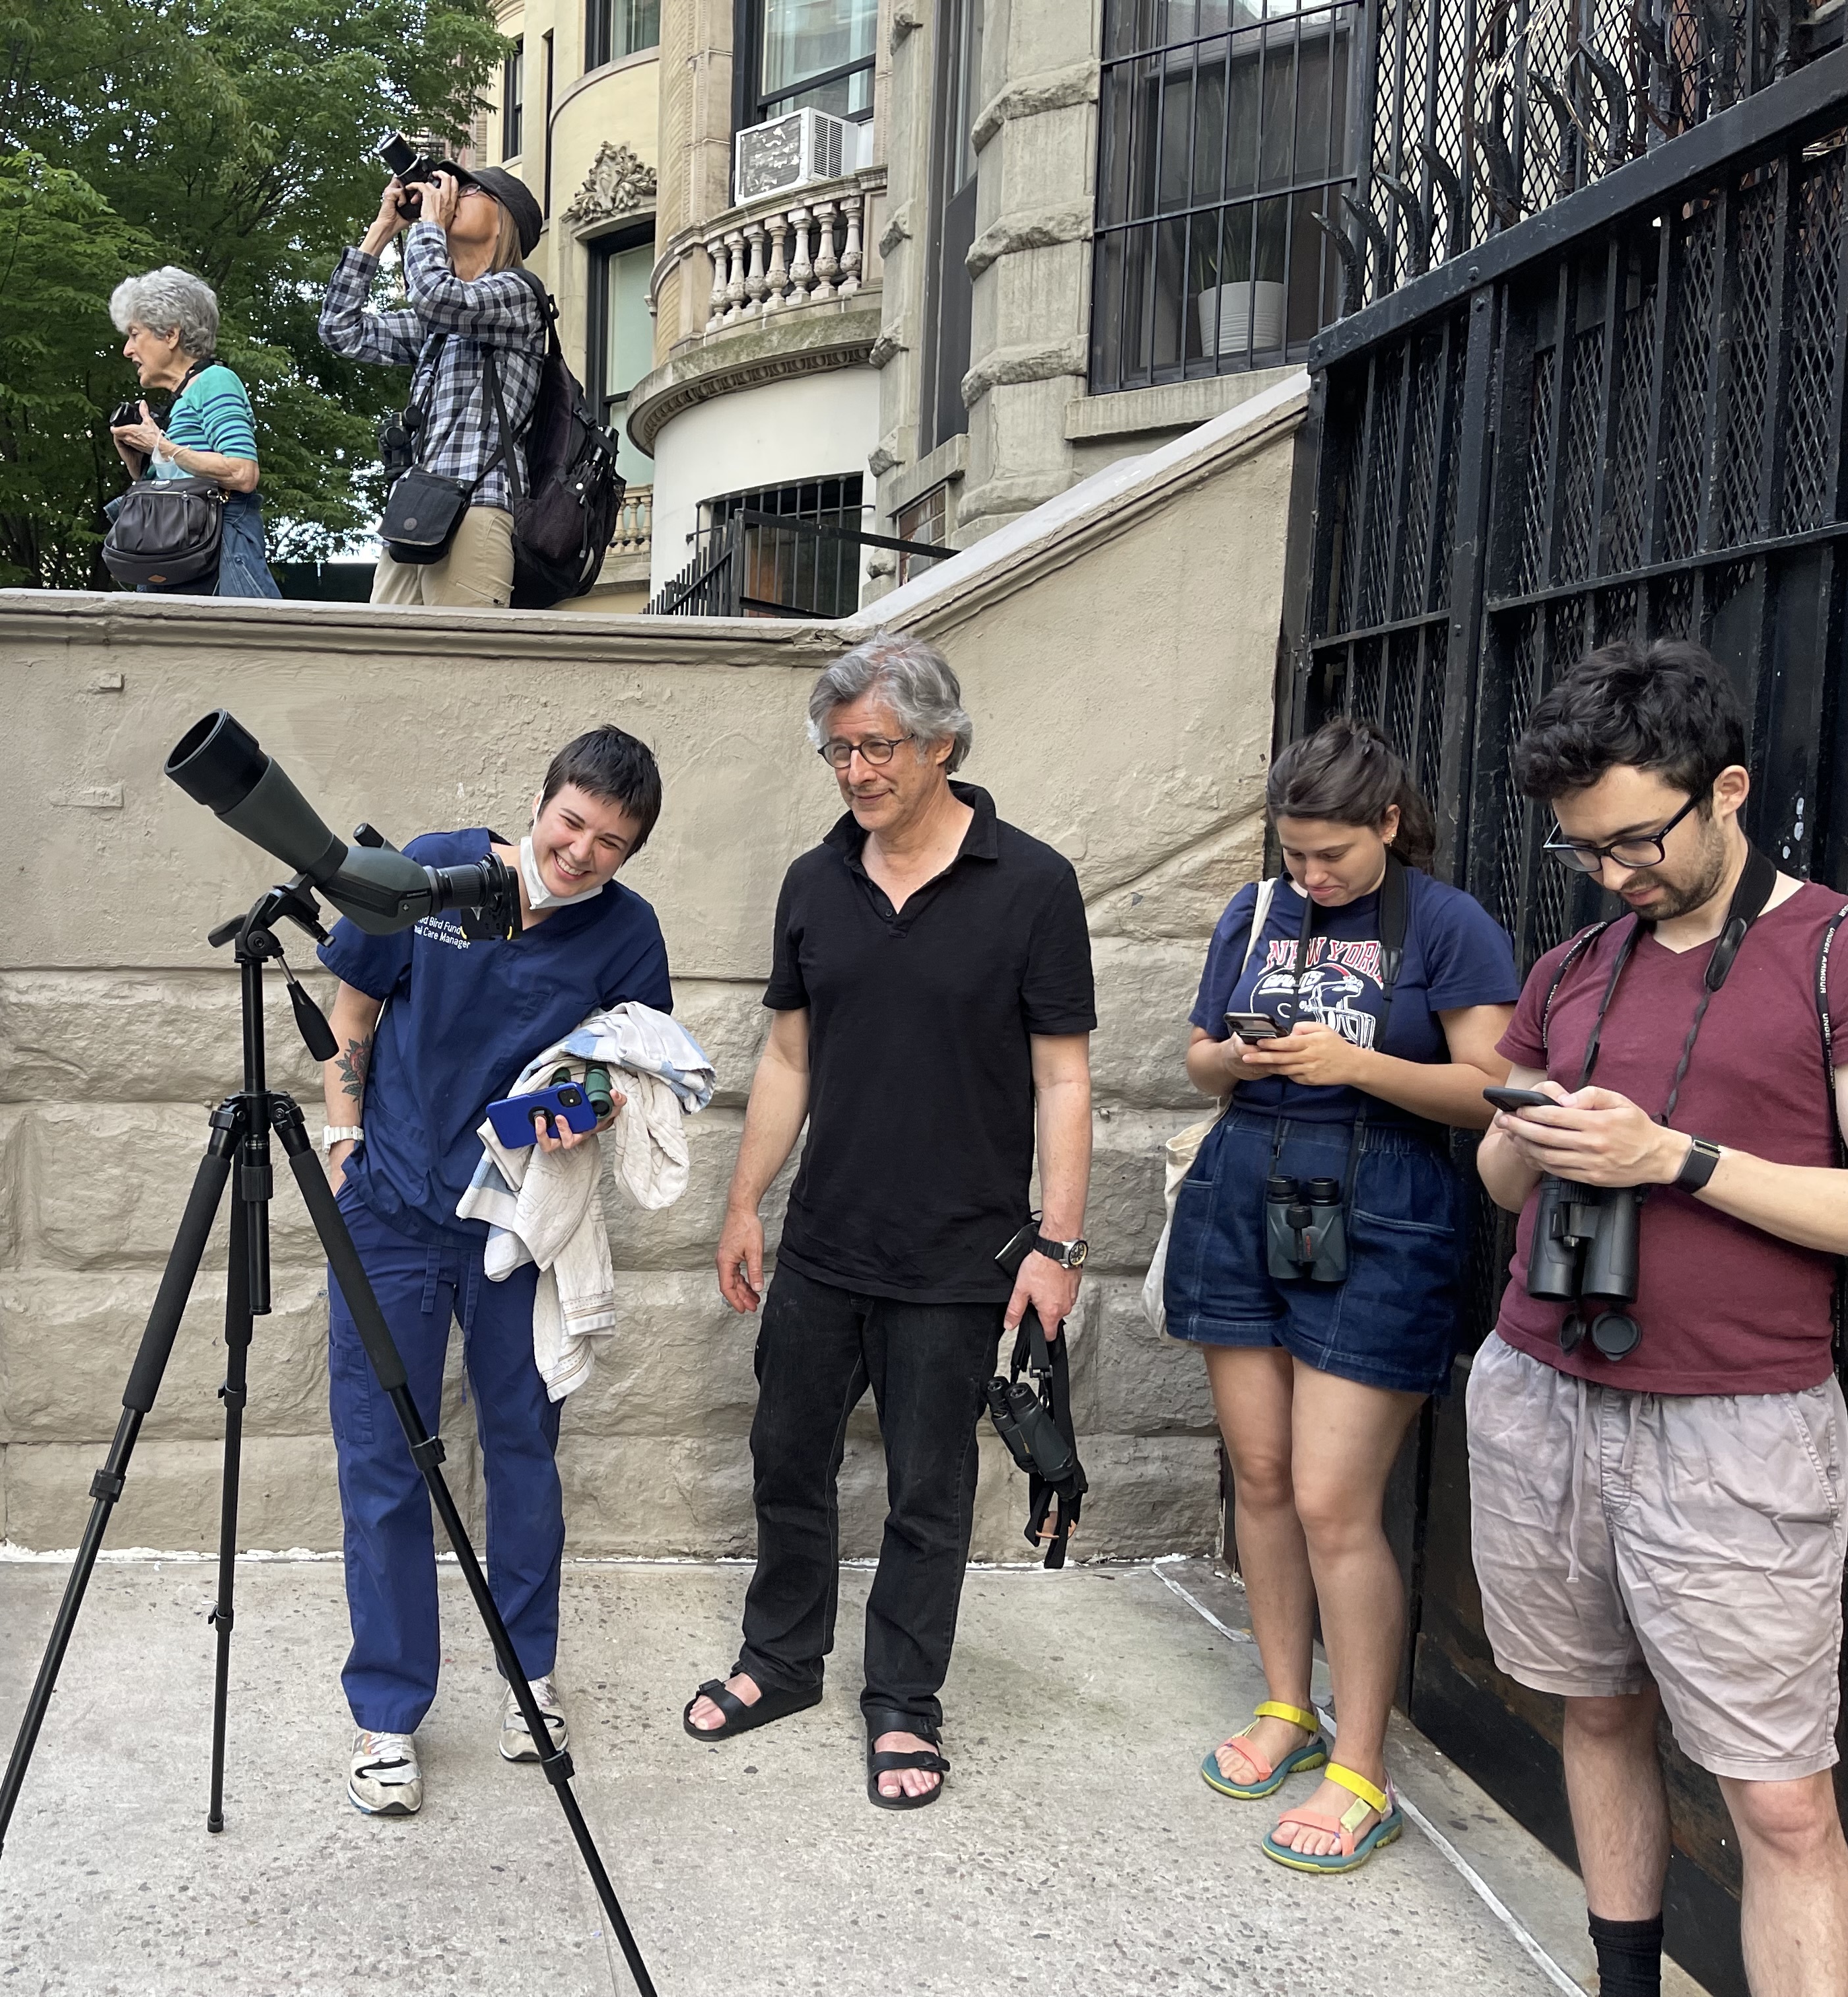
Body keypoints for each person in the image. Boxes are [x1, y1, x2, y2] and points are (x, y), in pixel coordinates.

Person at [1473, 640, 1848, 1997]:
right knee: (1594, 1708)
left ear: (1729, 787)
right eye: (1584, 851)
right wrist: (1538, 1132)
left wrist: (1673, 1159)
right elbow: (1496, 1179)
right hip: (1543, 1390)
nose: (1614, 872)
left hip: (1739, 1428)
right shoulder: (1577, 962)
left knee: (1785, 1802)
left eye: (1636, 840)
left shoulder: (1831, 954)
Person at [696, 633, 1094, 1811]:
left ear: (942, 744)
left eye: (877, 747)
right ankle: (780, 1659)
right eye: (837, 749)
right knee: (786, 1458)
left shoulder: (1031, 883)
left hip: (960, 1253)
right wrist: (743, 1200)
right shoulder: (815, 881)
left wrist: (1058, 1245)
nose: (856, 771)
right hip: (824, 1241)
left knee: (929, 1488)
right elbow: (786, 1053)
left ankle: (903, 1700)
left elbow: (1063, 1079)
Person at [1165, 718, 1519, 1872]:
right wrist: (1243, 1057)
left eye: (1331, 855)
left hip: (1385, 1201)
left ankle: (1361, 1763)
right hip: (1244, 1183)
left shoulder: (1444, 921)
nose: (1310, 877)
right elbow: (1197, 1053)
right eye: (1293, 853)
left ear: (1385, 823)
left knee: (1331, 1497)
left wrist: (1354, 1062)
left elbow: (1494, 1090)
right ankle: (1286, 1705)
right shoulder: (1256, 912)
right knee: (1259, 1473)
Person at [316, 726, 671, 1816]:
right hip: (390, 1213)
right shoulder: (433, 869)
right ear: (541, 801)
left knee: (523, 1451)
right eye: (572, 823)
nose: (581, 852)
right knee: (383, 1457)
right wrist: (340, 1137)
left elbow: (631, 1075)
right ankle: (387, 1713)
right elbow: (353, 1007)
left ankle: (528, 1677)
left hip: (518, 1231)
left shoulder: (626, 933)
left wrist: (580, 1113)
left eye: (611, 841)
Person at [318, 161, 546, 609]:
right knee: (382, 658)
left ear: (505, 222)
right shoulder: (438, 329)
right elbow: (340, 330)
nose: (453, 196)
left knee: (463, 664)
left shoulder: (519, 294)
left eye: (471, 191)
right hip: (418, 505)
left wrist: (428, 228)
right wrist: (383, 229)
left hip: (480, 500)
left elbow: (437, 297)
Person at [107, 265, 281, 600]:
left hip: (217, 560)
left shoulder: (215, 381)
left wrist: (161, 444)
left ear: (170, 335)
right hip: (185, 561)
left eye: (134, 334)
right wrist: (142, 462)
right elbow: (184, 479)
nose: (127, 350)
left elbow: (242, 473)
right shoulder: (185, 395)